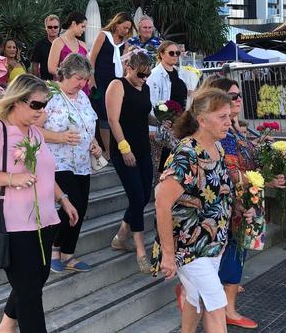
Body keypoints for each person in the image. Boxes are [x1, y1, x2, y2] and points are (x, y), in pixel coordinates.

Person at [0, 74, 79, 333]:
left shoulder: (35, 132)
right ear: (16, 101)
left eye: (44, 105)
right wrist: (12, 178)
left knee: (38, 278)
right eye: (36, 105)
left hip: (44, 220)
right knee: (29, 294)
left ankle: (5, 327)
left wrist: (63, 199)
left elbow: (45, 172)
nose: (42, 111)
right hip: (12, 224)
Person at [151, 88, 233, 333]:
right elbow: (161, 202)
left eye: (229, 116)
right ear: (202, 120)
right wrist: (168, 253)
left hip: (212, 242)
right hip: (188, 246)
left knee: (196, 298)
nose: (229, 122)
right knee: (217, 304)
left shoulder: (217, 149)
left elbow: (219, 192)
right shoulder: (187, 154)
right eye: (222, 117)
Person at [209, 78, 286, 329]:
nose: (238, 99)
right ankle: (228, 309)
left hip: (243, 199)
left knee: (235, 251)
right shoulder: (222, 134)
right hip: (232, 203)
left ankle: (200, 297)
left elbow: (245, 161)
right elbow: (229, 172)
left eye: (239, 95)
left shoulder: (233, 129)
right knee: (233, 252)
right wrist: (266, 180)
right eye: (232, 96)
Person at [40, 53, 101, 273]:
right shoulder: (49, 94)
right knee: (70, 205)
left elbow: (87, 125)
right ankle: (54, 249)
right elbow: (31, 129)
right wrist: (60, 137)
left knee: (81, 207)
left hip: (82, 162)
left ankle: (68, 253)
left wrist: (95, 144)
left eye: (84, 79)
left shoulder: (82, 97)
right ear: (64, 73)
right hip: (58, 162)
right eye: (78, 78)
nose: (81, 84)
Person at [105, 52, 153, 273]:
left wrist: (163, 118)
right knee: (136, 197)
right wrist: (125, 149)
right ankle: (141, 251)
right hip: (125, 149)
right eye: (141, 73)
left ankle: (122, 235)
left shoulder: (145, 87)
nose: (144, 77)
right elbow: (113, 120)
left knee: (143, 196)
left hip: (143, 147)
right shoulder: (117, 85)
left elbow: (143, 115)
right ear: (129, 68)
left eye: (148, 73)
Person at [89, 12, 133, 158]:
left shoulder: (124, 43)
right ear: (117, 24)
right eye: (125, 27)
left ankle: (115, 148)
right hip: (100, 80)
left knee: (116, 114)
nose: (126, 31)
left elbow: (125, 63)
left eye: (128, 29)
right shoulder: (103, 35)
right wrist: (91, 79)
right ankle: (107, 150)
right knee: (103, 114)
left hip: (116, 81)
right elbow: (92, 58)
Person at [147, 40, 189, 174]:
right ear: (161, 54)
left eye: (177, 53)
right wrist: (152, 127)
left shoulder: (179, 72)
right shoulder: (155, 75)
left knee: (178, 161)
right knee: (163, 163)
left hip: (179, 124)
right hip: (164, 126)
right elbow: (152, 101)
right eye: (171, 53)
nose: (175, 56)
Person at [47, 12, 89, 95]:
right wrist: (70, 77)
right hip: (63, 89)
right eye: (82, 26)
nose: (84, 30)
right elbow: (51, 68)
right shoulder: (58, 42)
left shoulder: (83, 45)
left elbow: (88, 69)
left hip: (81, 89)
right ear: (74, 24)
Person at [31, 15, 60, 81]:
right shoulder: (40, 45)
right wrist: (37, 82)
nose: (53, 29)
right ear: (46, 28)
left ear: (59, 28)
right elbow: (35, 65)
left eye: (55, 27)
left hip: (63, 83)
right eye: (50, 27)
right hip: (45, 83)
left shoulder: (64, 44)